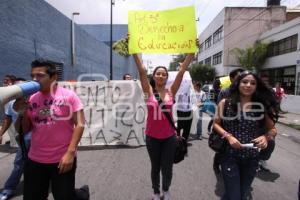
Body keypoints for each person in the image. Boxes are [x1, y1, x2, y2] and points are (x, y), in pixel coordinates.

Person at [15, 59, 85, 200]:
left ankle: (82, 195)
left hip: (61, 159)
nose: (35, 80)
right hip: (35, 159)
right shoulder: (32, 98)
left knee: (64, 196)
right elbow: (24, 129)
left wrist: (70, 153)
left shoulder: (69, 96)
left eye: (40, 76)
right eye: (32, 76)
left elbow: (80, 124)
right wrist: (22, 113)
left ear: (53, 77)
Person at [132, 52, 194, 200]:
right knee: (155, 167)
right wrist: (134, 50)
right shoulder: (148, 92)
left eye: (163, 74)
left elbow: (181, 72)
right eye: (158, 73)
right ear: (153, 76)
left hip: (169, 138)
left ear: (167, 77)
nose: (160, 76)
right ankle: (155, 191)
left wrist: (191, 53)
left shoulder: (171, 92)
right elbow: (141, 71)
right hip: (152, 137)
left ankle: (166, 190)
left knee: (167, 167)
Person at [213, 70, 279, 200]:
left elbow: (273, 129)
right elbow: (216, 124)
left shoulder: (261, 106)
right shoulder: (225, 103)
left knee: (241, 195)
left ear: (256, 86)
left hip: (252, 159)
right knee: (234, 196)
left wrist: (266, 137)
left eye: (253, 83)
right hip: (229, 156)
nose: (248, 85)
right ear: (238, 83)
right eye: (245, 82)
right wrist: (228, 136)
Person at [0, 78, 31, 200]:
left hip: (37, 138)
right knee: (19, 164)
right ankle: (9, 189)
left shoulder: (32, 100)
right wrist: (1, 133)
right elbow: (7, 119)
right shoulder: (10, 103)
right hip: (22, 138)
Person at [213, 68, 244, 174]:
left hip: (240, 126)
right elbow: (219, 110)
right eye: (238, 77)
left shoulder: (246, 92)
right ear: (231, 79)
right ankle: (217, 164)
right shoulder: (225, 92)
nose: (241, 80)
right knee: (222, 148)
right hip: (225, 126)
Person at [0, 74, 17, 146]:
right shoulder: (4, 92)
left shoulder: (14, 93)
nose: (4, 81)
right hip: (8, 116)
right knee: (12, 135)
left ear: (12, 83)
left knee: (15, 137)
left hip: (14, 119)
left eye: (7, 80)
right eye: (4, 80)